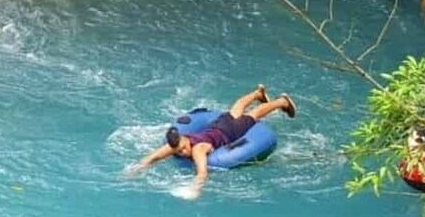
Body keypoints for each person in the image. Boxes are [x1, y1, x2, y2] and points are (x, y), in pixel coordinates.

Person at [126, 84, 298, 200]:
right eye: (178, 151)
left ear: (186, 139)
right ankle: (257, 93)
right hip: (218, 126)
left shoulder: (198, 149)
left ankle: (282, 101)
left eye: (183, 149)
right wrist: (136, 170)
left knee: (254, 115)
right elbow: (153, 157)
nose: (182, 153)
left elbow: (202, 173)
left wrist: (195, 189)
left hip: (229, 130)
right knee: (235, 109)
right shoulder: (177, 145)